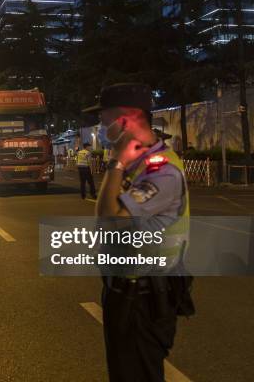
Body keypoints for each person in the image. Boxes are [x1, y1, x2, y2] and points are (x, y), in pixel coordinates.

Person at [84, 83, 194, 382]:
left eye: (105, 120)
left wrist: (115, 163)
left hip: (144, 298)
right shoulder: (140, 165)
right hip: (127, 291)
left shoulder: (162, 171)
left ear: (124, 121)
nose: (102, 127)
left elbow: (109, 216)